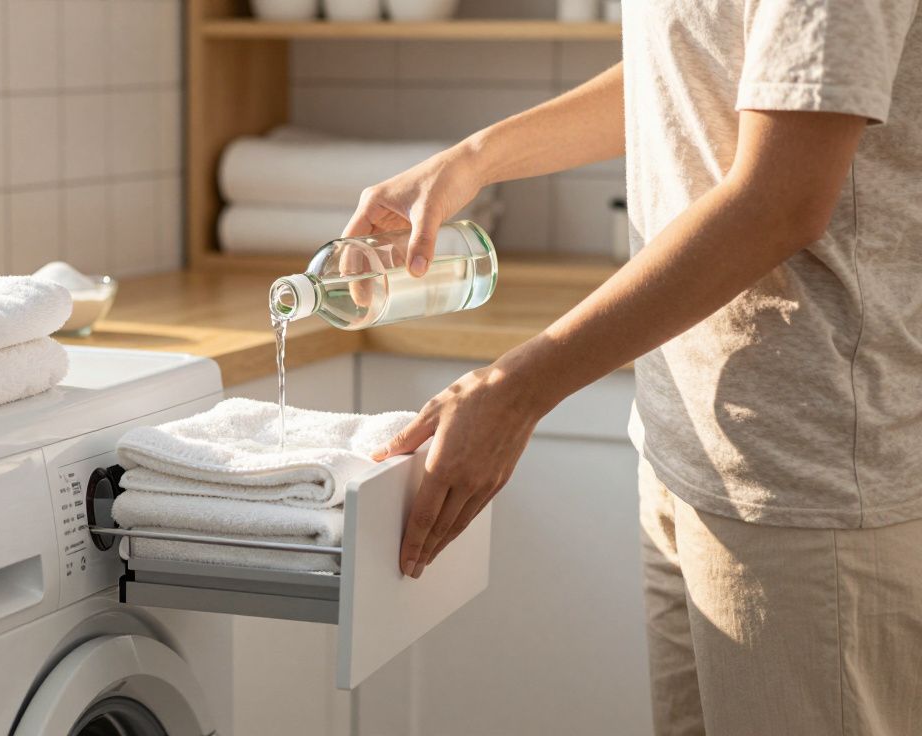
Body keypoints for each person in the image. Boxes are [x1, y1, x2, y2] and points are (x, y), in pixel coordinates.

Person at [348, 2, 922, 734]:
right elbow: (691, 75)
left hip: (804, 482)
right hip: (686, 447)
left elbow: (780, 201)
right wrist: (475, 159)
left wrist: (519, 389)